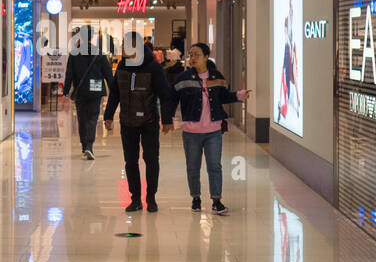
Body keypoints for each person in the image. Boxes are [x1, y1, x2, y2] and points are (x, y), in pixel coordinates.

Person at [167, 42, 249, 215]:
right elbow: (172, 98)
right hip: (191, 132)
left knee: (214, 166)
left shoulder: (217, 76)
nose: (193, 58)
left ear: (206, 56)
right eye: (191, 54)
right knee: (193, 167)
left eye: (197, 54)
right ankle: (195, 198)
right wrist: (168, 119)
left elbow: (223, 96)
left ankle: (216, 201)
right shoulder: (183, 78)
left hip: (213, 131)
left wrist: (239, 95)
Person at [104, 31, 177, 212]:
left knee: (151, 159)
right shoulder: (122, 65)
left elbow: (165, 95)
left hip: (149, 121)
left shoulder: (153, 67)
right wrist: (108, 115)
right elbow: (115, 92)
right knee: (130, 161)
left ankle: (151, 197)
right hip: (127, 121)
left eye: (126, 46)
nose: (123, 49)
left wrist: (167, 120)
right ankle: (135, 198)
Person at [62, 25, 113, 159]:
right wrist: (115, 92)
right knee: (92, 117)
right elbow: (108, 75)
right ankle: (89, 145)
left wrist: (66, 91)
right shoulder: (100, 54)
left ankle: (84, 145)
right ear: (92, 37)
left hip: (81, 90)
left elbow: (69, 74)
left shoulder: (74, 54)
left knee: (82, 118)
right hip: (95, 90)